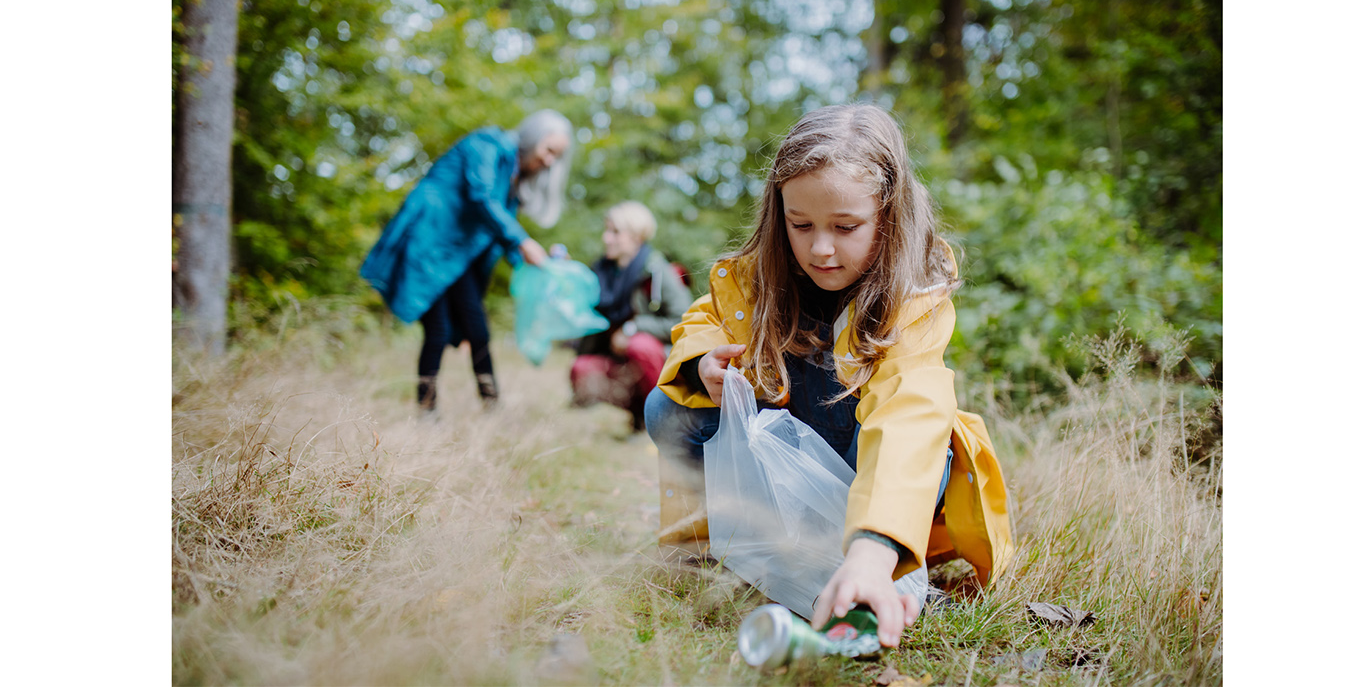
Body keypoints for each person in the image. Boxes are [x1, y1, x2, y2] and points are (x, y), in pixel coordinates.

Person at [643, 104, 1013, 648]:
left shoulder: (912, 297)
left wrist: (872, 551)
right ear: (779, 215)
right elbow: (704, 318)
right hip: (780, 475)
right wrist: (702, 363)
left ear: (889, 215)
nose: (820, 248)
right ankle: (729, 553)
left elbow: (909, 416)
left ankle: (869, 567)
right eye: (801, 225)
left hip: (868, 472)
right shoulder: (757, 278)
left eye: (845, 227)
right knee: (667, 407)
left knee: (931, 444)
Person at [361, 110, 574, 411]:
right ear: (533, 137)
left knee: (478, 331)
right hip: (430, 242)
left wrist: (536, 261)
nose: (550, 161)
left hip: (458, 257)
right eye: (549, 150)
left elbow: (501, 231)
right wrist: (523, 241)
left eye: (557, 156)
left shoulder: (513, 176)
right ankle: (427, 410)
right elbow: (481, 198)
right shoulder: (487, 145)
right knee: (438, 330)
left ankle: (492, 406)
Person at [570, 202, 693, 431]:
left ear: (637, 236)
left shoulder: (659, 271)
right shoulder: (601, 271)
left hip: (657, 360)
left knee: (640, 345)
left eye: (615, 232)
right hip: (618, 361)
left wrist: (633, 327)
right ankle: (639, 416)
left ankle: (664, 421)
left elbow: (685, 322)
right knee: (582, 368)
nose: (606, 238)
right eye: (607, 230)